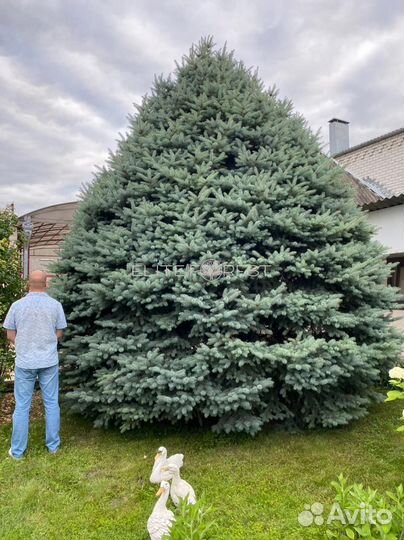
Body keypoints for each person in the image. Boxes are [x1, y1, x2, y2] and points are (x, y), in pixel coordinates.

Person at [3, 270, 67, 459]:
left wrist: (23, 345)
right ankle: (53, 447)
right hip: (48, 361)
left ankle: (17, 452)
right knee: (52, 403)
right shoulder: (55, 305)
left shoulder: (17, 306)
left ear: (28, 284)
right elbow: (60, 332)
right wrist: (46, 343)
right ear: (46, 284)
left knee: (22, 406)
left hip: (25, 362)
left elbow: (9, 333)